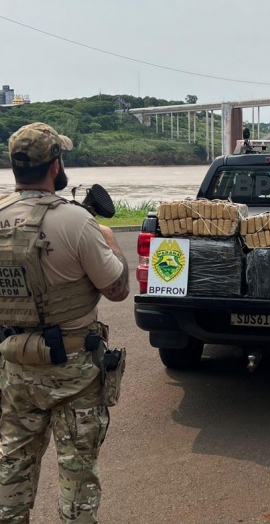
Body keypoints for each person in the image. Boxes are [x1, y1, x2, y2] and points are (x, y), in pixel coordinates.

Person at [0, 122, 130, 523]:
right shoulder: (76, 222)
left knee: (11, 466)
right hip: (73, 370)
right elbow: (118, 289)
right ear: (55, 165)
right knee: (77, 471)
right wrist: (108, 240)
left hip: (16, 367)